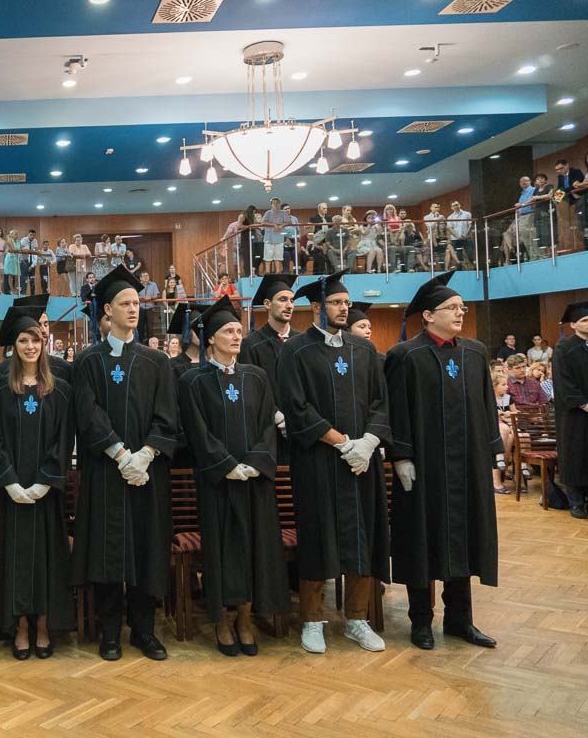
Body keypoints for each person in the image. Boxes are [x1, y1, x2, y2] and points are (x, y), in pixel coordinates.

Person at [385, 271, 501, 650]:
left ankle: (459, 620)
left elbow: (487, 405)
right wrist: (401, 455)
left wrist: (493, 450)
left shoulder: (475, 353)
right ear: (428, 315)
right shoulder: (405, 356)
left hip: (468, 466)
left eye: (462, 307)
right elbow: (397, 410)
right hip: (425, 467)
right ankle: (421, 620)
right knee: (423, 539)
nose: (460, 313)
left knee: (464, 538)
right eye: (452, 307)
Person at [278, 271, 391, 654]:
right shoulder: (296, 351)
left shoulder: (363, 350)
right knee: (318, 539)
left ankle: (357, 619)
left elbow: (380, 402)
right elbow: (297, 408)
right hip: (317, 463)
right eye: (336, 303)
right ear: (316, 307)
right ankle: (312, 621)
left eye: (346, 303)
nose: (344, 308)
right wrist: (343, 444)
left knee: (363, 538)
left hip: (362, 464)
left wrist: (368, 443)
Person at [70, 265, 179, 661]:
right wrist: (120, 454)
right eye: (125, 303)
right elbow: (89, 414)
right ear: (107, 311)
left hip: (147, 474)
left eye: (136, 303)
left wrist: (145, 456)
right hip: (106, 472)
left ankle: (144, 631)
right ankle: (110, 632)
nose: (134, 309)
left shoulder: (157, 361)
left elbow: (167, 416)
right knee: (108, 550)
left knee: (147, 549)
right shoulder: (88, 361)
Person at [177, 297, 288, 656]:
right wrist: (226, 466)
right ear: (210, 338)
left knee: (255, 549)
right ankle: (222, 621)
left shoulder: (256, 377)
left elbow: (267, 425)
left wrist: (255, 463)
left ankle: (245, 618)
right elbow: (198, 431)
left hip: (254, 482)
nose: (237, 336)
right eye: (228, 331)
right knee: (222, 551)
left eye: (239, 331)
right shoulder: (193, 381)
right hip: (217, 483)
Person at [0, 305, 74, 659]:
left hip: (46, 494)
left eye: (35, 340)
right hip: (13, 494)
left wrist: (44, 482)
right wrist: (10, 483)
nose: (30, 346)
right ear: (14, 345)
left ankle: (43, 625)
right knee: (17, 560)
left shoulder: (60, 391)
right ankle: (20, 625)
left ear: (44, 342)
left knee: (47, 560)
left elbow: (63, 441)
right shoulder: (1, 392)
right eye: (23, 340)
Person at [238, 274, 299, 445]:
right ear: (267, 304)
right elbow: (251, 389)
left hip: (301, 427)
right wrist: (278, 417)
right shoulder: (251, 344)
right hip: (268, 430)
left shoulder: (302, 341)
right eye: (282, 300)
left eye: (292, 301)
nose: (289, 305)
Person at [553, 301, 588, 519]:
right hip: (574, 415)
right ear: (573, 324)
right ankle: (576, 503)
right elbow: (562, 381)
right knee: (575, 456)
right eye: (584, 320)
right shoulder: (563, 349)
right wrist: (584, 404)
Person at [0, 294, 72, 383]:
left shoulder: (63, 368)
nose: (43, 330)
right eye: (38, 324)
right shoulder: (4, 370)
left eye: (46, 324)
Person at [261, 198, 291, 274]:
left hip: (279, 237)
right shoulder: (268, 212)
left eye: (277, 203)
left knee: (278, 256)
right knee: (268, 256)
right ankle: (267, 272)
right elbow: (263, 222)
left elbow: (289, 222)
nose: (275, 204)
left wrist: (282, 225)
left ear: (279, 204)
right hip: (269, 238)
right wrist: (274, 225)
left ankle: (278, 271)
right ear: (271, 205)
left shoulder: (283, 213)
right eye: (274, 203)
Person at [137, 271, 161, 343]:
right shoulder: (137, 284)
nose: (146, 277)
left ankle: (150, 344)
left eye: (147, 276)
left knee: (150, 328)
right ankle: (141, 343)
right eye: (144, 276)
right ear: (140, 278)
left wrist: (150, 297)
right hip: (140, 309)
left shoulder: (153, 284)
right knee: (140, 327)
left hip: (150, 309)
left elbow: (156, 295)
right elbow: (135, 295)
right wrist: (143, 298)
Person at [3, 229, 20, 295]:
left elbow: (20, 248)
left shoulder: (18, 242)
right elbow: (13, 249)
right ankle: (12, 290)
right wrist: (21, 250)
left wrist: (24, 249)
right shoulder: (9, 240)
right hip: (10, 258)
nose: (15, 235)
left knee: (16, 275)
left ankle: (15, 289)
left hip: (16, 258)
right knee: (10, 275)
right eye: (13, 234)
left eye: (16, 234)